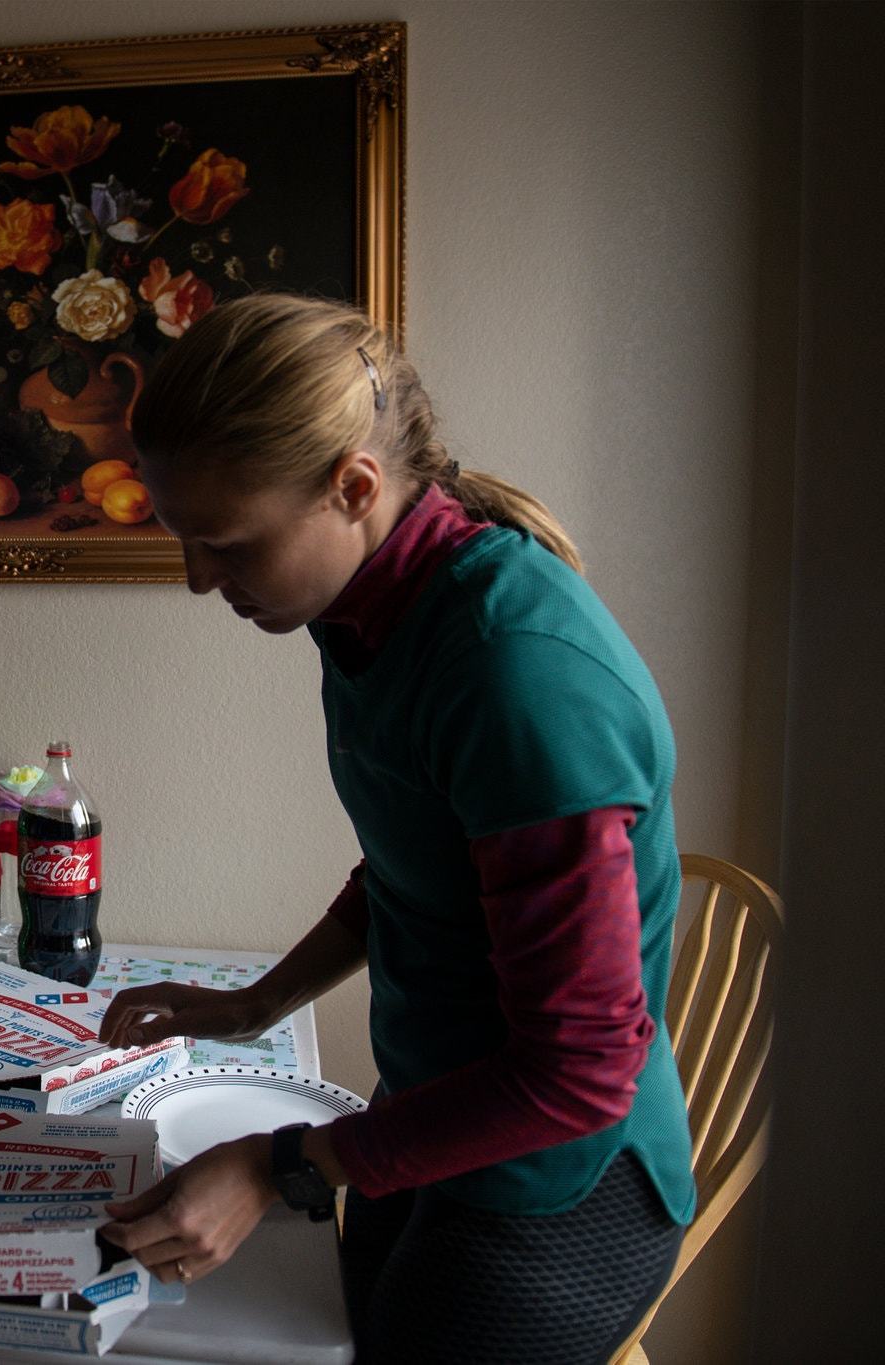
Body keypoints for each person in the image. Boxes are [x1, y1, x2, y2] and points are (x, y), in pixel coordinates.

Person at [95, 293, 693, 1364]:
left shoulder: (518, 677)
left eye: (225, 546)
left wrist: (283, 1165)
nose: (196, 580)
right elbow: (414, 865)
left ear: (353, 488)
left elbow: (579, 1072)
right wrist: (256, 1003)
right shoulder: (366, 603)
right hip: (440, 1103)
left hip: (559, 1163)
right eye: (184, 541)